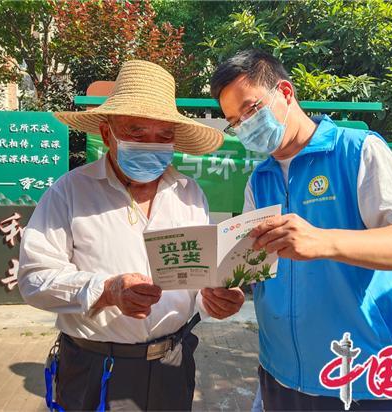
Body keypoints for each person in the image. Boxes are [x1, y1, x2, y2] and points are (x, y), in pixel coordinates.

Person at [210, 49, 392, 411]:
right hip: (280, 373)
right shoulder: (260, 178)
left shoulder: (358, 150)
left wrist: (325, 241)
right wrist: (231, 291)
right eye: (234, 121)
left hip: (360, 377)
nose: (244, 126)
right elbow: (252, 262)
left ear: (285, 93)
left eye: (250, 110)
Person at [18, 60, 245, 411]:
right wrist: (107, 291)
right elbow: (34, 279)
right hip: (94, 367)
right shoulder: (70, 192)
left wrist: (214, 299)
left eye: (163, 136)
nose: (150, 145)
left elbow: (197, 279)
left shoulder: (189, 193)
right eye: (136, 132)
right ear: (107, 133)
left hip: (173, 365)